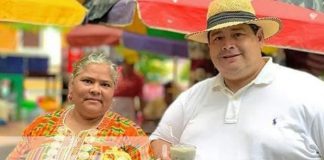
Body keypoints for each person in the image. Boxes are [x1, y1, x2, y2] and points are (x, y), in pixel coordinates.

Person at [150, 0, 324, 159]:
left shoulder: (310, 92)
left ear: (259, 38)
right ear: (209, 46)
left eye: (238, 34)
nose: (227, 45)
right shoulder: (192, 97)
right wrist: (164, 154)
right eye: (218, 37)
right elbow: (159, 139)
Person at [7, 52, 152, 160]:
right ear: (71, 87)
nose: (95, 90)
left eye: (105, 84)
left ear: (113, 93)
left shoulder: (130, 134)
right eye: (88, 81)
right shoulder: (42, 125)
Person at [112, 57, 145, 123]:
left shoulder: (138, 78)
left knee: (127, 127)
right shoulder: (114, 73)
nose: (130, 67)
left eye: (132, 65)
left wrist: (141, 113)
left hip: (128, 106)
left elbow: (140, 96)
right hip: (113, 104)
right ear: (124, 63)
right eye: (128, 64)